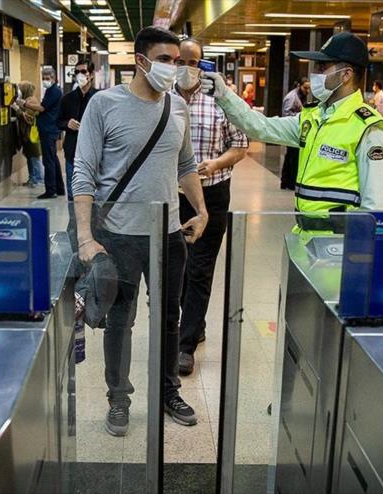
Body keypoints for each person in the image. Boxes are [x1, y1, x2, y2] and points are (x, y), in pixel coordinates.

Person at [73, 26, 208, 436]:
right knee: (120, 319)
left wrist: (200, 210)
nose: (174, 69)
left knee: (170, 317)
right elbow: (83, 173)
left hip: (168, 233)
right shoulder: (104, 104)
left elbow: (186, 166)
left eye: (179, 61)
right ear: (141, 60)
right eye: (166, 60)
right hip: (118, 235)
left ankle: (169, 391)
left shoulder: (178, 109)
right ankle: (118, 398)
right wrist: (85, 237)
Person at [201, 31, 383, 233]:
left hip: (340, 245)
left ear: (346, 74)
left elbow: (374, 204)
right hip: (304, 236)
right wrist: (223, 95)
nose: (316, 73)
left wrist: (359, 254)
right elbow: (260, 126)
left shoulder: (369, 128)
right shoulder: (313, 117)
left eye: (323, 67)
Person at [171, 38, 249, 376]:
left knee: (201, 267)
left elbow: (242, 145)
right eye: (181, 61)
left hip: (213, 193)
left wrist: (216, 163)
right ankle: (194, 322)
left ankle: (185, 346)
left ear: (203, 64)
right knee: (179, 266)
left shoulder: (220, 99)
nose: (187, 68)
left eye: (194, 62)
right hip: (173, 196)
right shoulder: (162, 97)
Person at [58, 59, 99, 200]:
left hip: (94, 152)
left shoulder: (99, 98)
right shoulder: (67, 99)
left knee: (94, 191)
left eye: (83, 71)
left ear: (91, 74)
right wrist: (66, 124)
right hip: (72, 151)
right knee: (73, 191)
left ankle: (94, 221)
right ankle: (74, 221)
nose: (80, 75)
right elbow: (58, 121)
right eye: (77, 72)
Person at [25, 67, 65, 199]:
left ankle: (50, 190)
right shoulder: (53, 91)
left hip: (48, 129)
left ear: (53, 78)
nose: (45, 81)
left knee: (48, 161)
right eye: (43, 78)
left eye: (47, 78)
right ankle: (59, 188)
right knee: (53, 159)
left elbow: (42, 108)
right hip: (50, 128)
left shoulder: (53, 91)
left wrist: (25, 104)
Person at [280, 77, 310, 190]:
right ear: (299, 86)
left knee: (291, 157)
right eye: (305, 88)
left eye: (308, 89)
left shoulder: (300, 96)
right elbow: (286, 114)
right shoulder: (292, 97)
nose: (307, 91)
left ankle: (287, 182)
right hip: (293, 130)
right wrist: (300, 117)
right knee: (292, 158)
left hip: (297, 130)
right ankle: (289, 182)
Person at [13, 81, 44, 187]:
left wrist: (17, 110)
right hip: (27, 135)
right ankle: (33, 178)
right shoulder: (27, 100)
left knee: (34, 157)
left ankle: (38, 178)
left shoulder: (31, 101)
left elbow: (28, 117)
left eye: (21, 89)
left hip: (32, 134)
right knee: (30, 157)